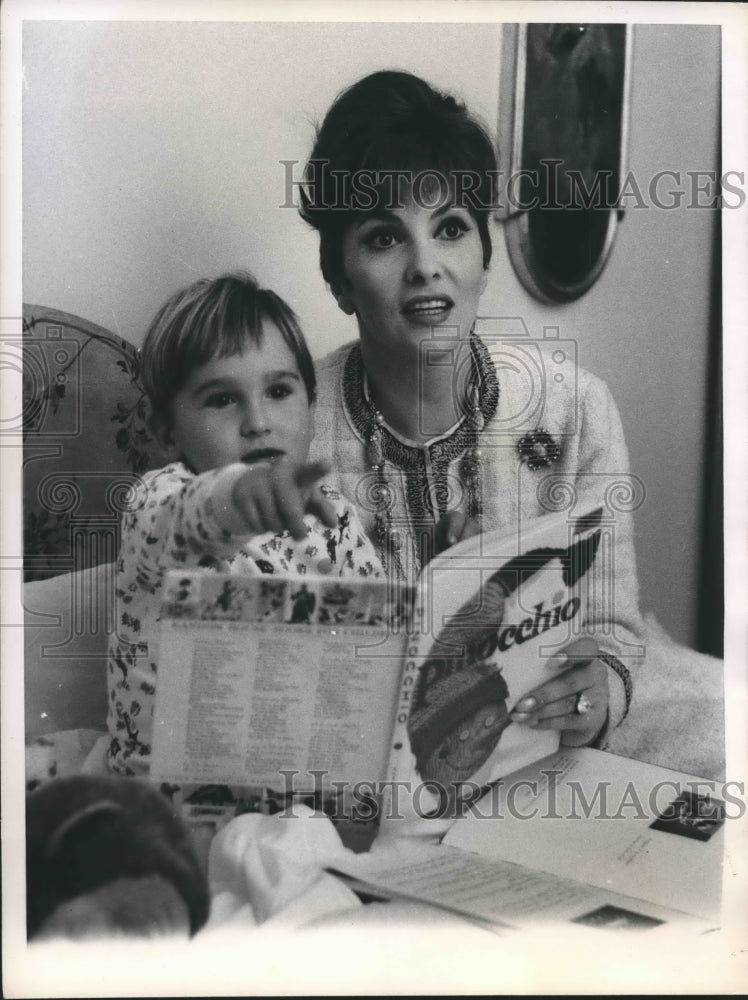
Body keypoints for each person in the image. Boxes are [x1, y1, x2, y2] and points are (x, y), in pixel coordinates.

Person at [300, 70, 644, 757]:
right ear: (339, 280)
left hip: (533, 759)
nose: (426, 266)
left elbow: (614, 630)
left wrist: (598, 689)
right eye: (382, 238)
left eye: (451, 228)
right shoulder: (291, 423)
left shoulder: (576, 409)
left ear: (485, 258)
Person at [106, 272, 382, 776]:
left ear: (313, 408)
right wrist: (240, 494)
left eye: (279, 390)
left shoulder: (335, 514)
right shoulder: (159, 500)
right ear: (168, 434)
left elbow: (377, 648)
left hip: (296, 775)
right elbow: (195, 514)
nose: (258, 420)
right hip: (177, 803)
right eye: (222, 399)